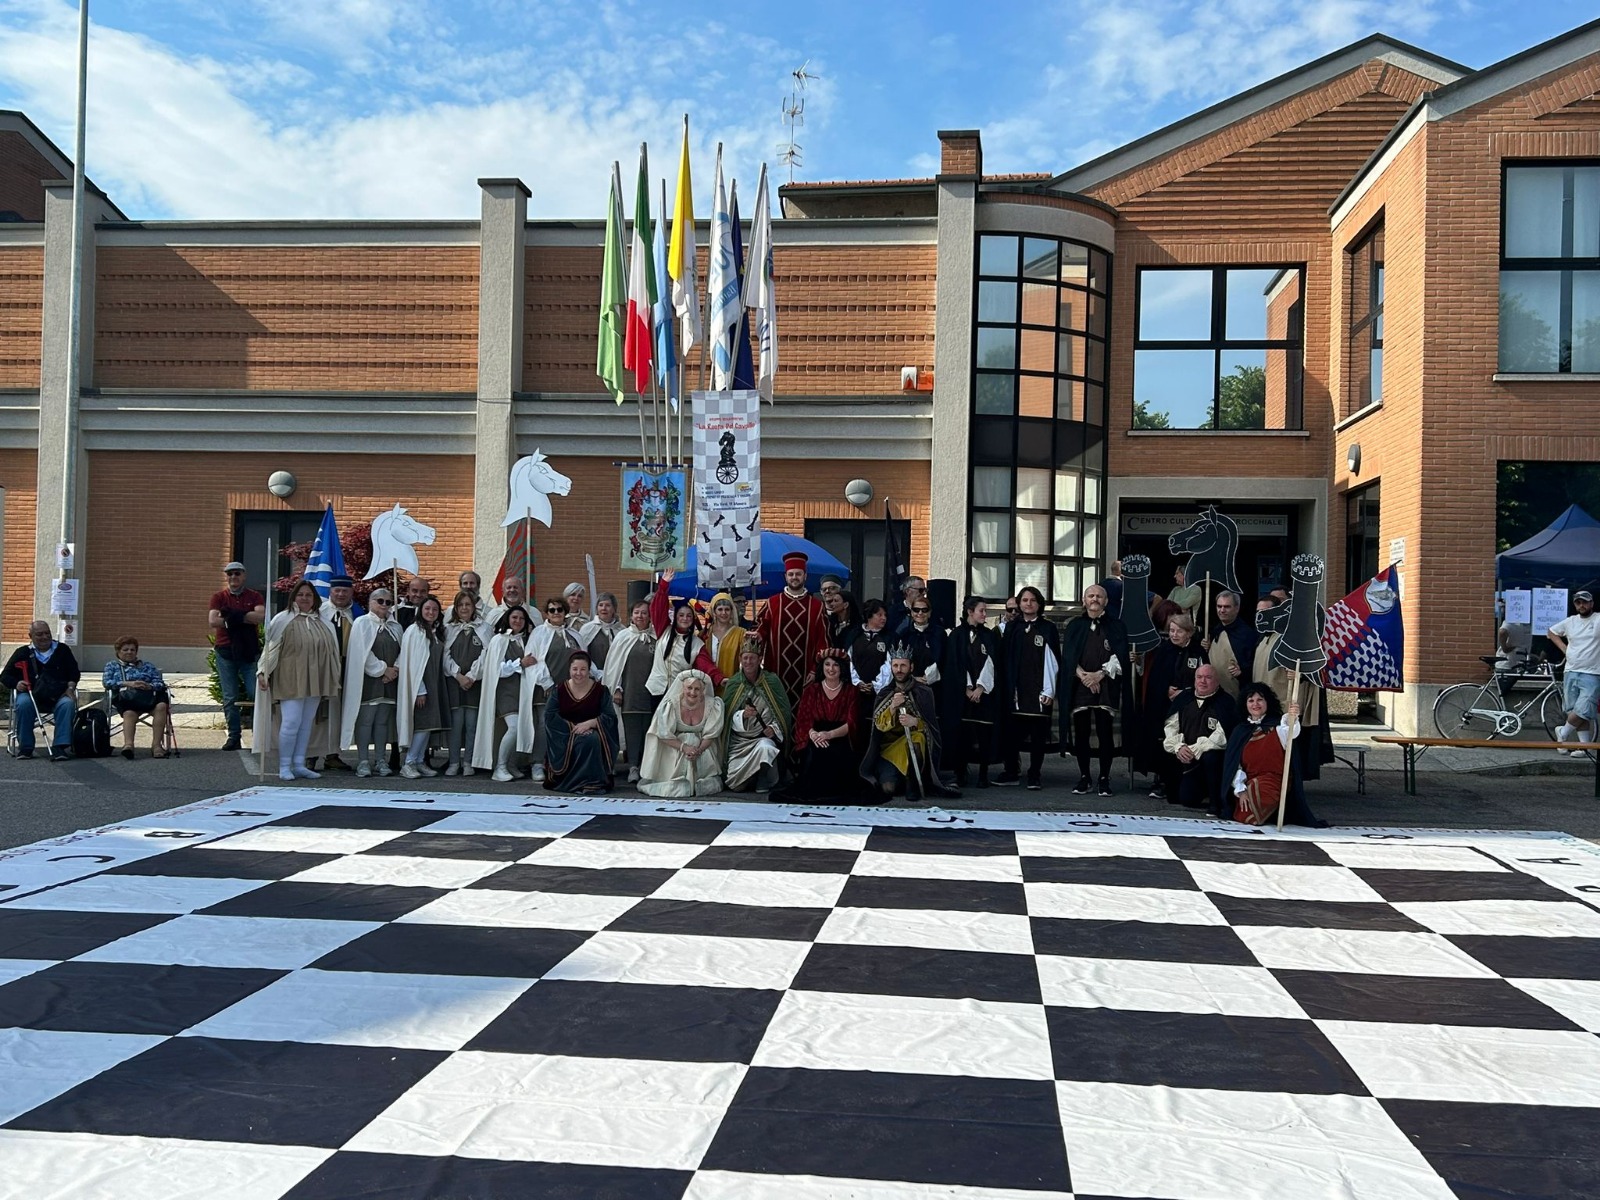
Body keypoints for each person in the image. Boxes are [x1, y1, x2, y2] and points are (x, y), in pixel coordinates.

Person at [255, 578, 342, 781]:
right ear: (293, 597)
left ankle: (299, 763)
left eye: (308, 595)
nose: (304, 598)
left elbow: (332, 652)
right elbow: (271, 649)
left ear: (314, 599)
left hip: (315, 679)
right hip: (290, 677)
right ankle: (285, 765)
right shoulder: (283, 619)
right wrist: (263, 672)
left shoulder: (323, 622)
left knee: (306, 723)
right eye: (300, 594)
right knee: (291, 722)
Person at [1060, 583, 1132, 797]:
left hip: (1106, 684)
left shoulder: (1117, 626)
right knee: (1081, 733)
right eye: (1090, 595)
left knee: (1104, 732)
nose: (1095, 599)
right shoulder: (1074, 625)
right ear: (1084, 600)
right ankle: (1084, 777)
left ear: (1106, 601)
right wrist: (1084, 677)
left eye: (1099, 596)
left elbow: (1120, 656)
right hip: (1080, 684)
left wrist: (1099, 675)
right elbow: (1068, 657)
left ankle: (1104, 778)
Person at [1222, 683, 1325, 827]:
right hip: (1249, 781)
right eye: (1251, 700)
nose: (1255, 704)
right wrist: (1241, 790)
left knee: (1255, 806)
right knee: (1244, 812)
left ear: (1267, 702)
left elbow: (1291, 733)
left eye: (1260, 700)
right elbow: (1233, 765)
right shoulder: (1240, 731)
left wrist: (1292, 717)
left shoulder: (1277, 727)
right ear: (1245, 704)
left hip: (1274, 781)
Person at [861, 646, 954, 801]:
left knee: (918, 737)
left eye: (903, 665)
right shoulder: (884, 693)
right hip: (890, 750)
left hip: (915, 750)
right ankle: (901, 779)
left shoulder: (924, 692)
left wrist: (916, 721)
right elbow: (878, 726)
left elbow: (932, 729)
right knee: (888, 788)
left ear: (911, 667)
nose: (899, 670)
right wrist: (892, 707)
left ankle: (913, 783)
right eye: (896, 665)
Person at [775, 648, 865, 801]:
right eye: (827, 664)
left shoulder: (851, 691)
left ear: (841, 668)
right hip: (815, 736)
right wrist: (814, 734)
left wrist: (829, 734)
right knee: (813, 754)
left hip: (840, 736)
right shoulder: (812, 690)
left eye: (835, 665)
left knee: (837, 755)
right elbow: (803, 720)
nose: (831, 669)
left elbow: (853, 723)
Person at [1135, 613, 1205, 798]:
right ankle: (1160, 779)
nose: (1174, 635)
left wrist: (1186, 692)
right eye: (1172, 631)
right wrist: (1165, 690)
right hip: (1164, 705)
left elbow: (1203, 677)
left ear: (1189, 633)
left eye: (1179, 631)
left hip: (1189, 705)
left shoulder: (1198, 652)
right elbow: (1155, 679)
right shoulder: (1164, 650)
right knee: (1162, 740)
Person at [999, 585, 1059, 790]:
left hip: (1038, 691)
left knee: (1038, 737)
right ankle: (1011, 771)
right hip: (1016, 691)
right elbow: (1005, 659)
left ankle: (1034, 774)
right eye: (1024, 600)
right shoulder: (1012, 628)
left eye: (1032, 600)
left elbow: (1052, 661)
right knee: (1011, 735)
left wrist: (1049, 691)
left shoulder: (1047, 628)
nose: (1028, 604)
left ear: (1039, 603)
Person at [339, 587, 402, 777]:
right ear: (370, 603)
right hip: (368, 681)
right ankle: (363, 760)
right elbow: (361, 652)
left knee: (383, 722)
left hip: (390, 681)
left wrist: (395, 670)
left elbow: (403, 651)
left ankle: (381, 759)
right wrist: (383, 669)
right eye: (380, 601)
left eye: (388, 602)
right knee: (366, 721)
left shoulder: (395, 626)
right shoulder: (362, 623)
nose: (384, 605)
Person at [941, 596, 1004, 787]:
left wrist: (981, 687)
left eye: (985, 610)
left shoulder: (990, 635)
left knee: (984, 733)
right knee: (962, 735)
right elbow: (954, 663)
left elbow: (992, 662)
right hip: (962, 695)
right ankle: (960, 773)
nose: (985, 614)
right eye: (981, 611)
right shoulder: (956, 635)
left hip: (984, 694)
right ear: (970, 612)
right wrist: (967, 687)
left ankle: (984, 774)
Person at [755, 551, 829, 711]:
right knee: (776, 712)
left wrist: (815, 669)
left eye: (798, 574)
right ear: (785, 576)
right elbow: (762, 628)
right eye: (791, 574)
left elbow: (822, 641)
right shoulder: (773, 603)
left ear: (805, 576)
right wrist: (758, 636)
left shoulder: (817, 606)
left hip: (805, 674)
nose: (794, 577)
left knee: (804, 713)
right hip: (776, 672)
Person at [473, 604, 540, 783]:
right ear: (507, 619)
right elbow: (497, 669)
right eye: (514, 617)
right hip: (506, 691)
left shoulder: (528, 641)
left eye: (521, 618)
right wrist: (520, 663)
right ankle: (500, 766)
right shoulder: (499, 640)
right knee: (514, 727)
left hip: (524, 692)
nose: (518, 621)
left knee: (523, 728)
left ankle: (511, 764)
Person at [523, 596, 585, 783]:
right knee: (544, 725)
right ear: (546, 613)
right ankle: (537, 763)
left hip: (571, 690)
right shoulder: (539, 633)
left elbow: (584, 659)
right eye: (552, 610)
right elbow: (532, 660)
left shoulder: (575, 635)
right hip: (547, 689)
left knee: (568, 727)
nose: (556, 613)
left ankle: (562, 765)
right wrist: (547, 682)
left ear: (565, 612)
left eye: (559, 609)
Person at [1160, 665, 1238, 812]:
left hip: (1210, 759)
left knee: (1212, 757)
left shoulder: (1225, 702)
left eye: (1208, 678)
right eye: (1199, 677)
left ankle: (1215, 801)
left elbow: (1222, 736)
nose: (1203, 681)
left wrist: (1196, 749)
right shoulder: (1184, 698)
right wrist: (1179, 747)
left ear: (1217, 681)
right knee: (1187, 799)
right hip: (1185, 759)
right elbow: (1171, 727)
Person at [640, 669, 725, 797]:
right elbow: (664, 734)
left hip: (701, 747)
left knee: (694, 740)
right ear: (683, 688)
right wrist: (684, 748)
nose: (692, 692)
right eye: (689, 688)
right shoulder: (670, 705)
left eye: (697, 689)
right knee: (688, 740)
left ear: (703, 690)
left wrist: (698, 750)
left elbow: (711, 734)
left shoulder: (713, 704)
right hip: (676, 747)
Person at [3, 620, 80, 761]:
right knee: (23, 704)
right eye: (39, 634)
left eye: (47, 633)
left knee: (67, 704)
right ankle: (26, 748)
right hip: (31, 694)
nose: (45, 637)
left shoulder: (62, 650)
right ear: (30, 636)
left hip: (58, 694)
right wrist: (17, 683)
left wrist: (70, 687)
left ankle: (60, 747)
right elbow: (5, 676)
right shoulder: (23, 652)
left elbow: (74, 672)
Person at [720, 641, 792, 792]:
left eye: (752, 658)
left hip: (761, 739)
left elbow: (782, 713)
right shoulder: (734, 683)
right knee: (736, 785)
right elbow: (726, 717)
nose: (748, 662)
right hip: (739, 742)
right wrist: (743, 715)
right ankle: (751, 776)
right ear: (740, 659)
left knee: (766, 748)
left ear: (760, 660)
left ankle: (762, 777)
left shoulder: (772, 681)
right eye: (745, 658)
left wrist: (773, 728)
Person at [208, 561, 264, 751]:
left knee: (255, 694)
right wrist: (244, 618)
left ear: (244, 575)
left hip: (249, 651)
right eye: (230, 574)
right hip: (225, 651)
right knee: (230, 697)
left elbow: (260, 617)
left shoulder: (255, 596)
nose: (233, 577)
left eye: (237, 573)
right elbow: (213, 621)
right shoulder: (219, 597)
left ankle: (259, 736)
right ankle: (234, 737)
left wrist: (232, 617)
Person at [544, 650, 618, 793]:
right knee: (585, 739)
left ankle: (593, 782)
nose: (579, 673)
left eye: (583, 669)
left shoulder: (600, 691)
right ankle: (574, 781)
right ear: (569, 670)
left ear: (589, 670)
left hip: (595, 731)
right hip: (565, 734)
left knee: (591, 739)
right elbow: (550, 716)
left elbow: (610, 716)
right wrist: (573, 728)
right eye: (575, 669)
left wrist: (591, 723)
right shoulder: (559, 690)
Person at [396, 594, 449, 779]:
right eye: (427, 608)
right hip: (422, 685)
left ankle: (419, 761)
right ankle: (409, 763)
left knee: (429, 725)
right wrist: (420, 690)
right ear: (420, 610)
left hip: (435, 683)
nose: (431, 612)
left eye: (434, 609)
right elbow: (413, 664)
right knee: (422, 725)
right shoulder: (415, 631)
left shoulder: (435, 632)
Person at [607, 598, 658, 784]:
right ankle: (633, 767)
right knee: (633, 731)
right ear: (631, 616)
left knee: (649, 731)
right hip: (630, 692)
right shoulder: (623, 637)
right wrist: (617, 688)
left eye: (644, 612)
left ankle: (647, 766)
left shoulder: (657, 637)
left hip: (652, 694)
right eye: (637, 612)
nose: (641, 616)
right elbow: (615, 666)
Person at [316, 575, 362, 770]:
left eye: (345, 591)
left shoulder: (358, 614)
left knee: (339, 713)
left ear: (351, 592)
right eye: (337, 590)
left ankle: (332, 754)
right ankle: (312, 755)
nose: (341, 594)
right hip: (324, 668)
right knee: (320, 713)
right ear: (330, 591)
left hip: (349, 667)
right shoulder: (320, 612)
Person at [442, 590, 489, 776]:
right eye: (460, 605)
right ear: (456, 607)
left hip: (474, 684)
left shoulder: (484, 628)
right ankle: (454, 761)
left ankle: (469, 761)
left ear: (473, 607)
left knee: (471, 725)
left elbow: (487, 653)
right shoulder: (448, 628)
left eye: (467, 604)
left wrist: (472, 675)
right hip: (455, 684)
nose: (464, 608)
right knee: (456, 724)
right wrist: (458, 675)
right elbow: (444, 655)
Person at [103, 635, 171, 760]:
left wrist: (148, 686)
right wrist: (128, 683)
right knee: (129, 713)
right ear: (118, 652)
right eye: (125, 649)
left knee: (161, 706)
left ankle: (157, 746)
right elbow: (107, 682)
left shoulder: (148, 666)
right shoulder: (112, 666)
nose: (129, 652)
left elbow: (160, 683)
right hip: (128, 700)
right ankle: (128, 745)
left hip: (148, 698)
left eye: (132, 650)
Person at [1549, 590, 1600, 754]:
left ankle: (1562, 732)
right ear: (1574, 604)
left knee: (1584, 709)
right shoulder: (1570, 621)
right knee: (1575, 710)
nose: (1582, 605)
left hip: (1592, 672)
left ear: (1591, 603)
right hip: (1570, 670)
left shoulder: (1598, 619)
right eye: (1578, 603)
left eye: (1585, 602)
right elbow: (1551, 632)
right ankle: (1584, 747)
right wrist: (1564, 648)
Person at [648, 590, 721, 701]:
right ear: (676, 617)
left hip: (679, 693)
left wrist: (720, 679)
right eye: (681, 615)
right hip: (656, 690)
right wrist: (664, 584)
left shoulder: (697, 644)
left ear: (693, 619)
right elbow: (657, 608)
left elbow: (707, 666)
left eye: (689, 616)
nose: (685, 619)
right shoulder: (663, 631)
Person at [1202, 590, 1257, 699]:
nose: (1222, 610)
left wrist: (1242, 671)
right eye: (1219, 606)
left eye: (1227, 607)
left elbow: (1254, 665)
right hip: (1213, 693)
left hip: (1236, 694)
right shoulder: (1214, 630)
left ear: (1237, 608)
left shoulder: (1247, 634)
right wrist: (1206, 648)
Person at [897, 592, 945, 683]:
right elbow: (899, 661)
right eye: (916, 610)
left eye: (924, 610)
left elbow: (945, 659)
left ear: (930, 613)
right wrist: (912, 678)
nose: (920, 613)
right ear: (911, 612)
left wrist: (930, 676)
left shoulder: (939, 633)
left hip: (936, 685)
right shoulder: (904, 634)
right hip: (910, 684)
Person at [849, 601, 893, 694]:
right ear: (869, 615)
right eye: (879, 615)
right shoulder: (854, 635)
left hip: (880, 692)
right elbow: (849, 661)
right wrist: (857, 682)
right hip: (856, 691)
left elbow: (889, 664)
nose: (883, 618)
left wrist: (876, 685)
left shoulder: (889, 637)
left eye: (885, 615)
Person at [704, 592, 748, 680]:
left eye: (727, 609)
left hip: (730, 684)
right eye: (720, 609)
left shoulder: (741, 633)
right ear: (714, 612)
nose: (724, 613)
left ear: (732, 612)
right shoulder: (705, 634)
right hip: (707, 685)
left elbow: (746, 661)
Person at [579, 592, 623, 677]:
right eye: (601, 605)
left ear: (614, 609)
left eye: (608, 605)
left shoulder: (622, 631)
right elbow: (582, 654)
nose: (604, 608)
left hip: (616, 677)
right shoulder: (587, 629)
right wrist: (596, 673)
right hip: (592, 677)